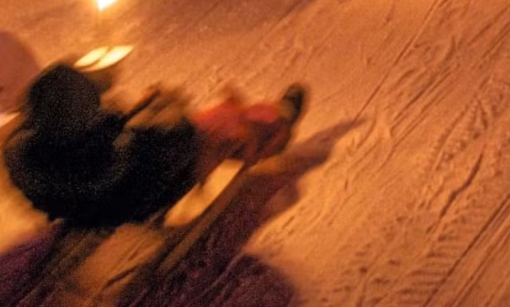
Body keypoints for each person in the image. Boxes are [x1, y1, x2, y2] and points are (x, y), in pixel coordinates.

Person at [1, 61, 305, 228]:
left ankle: (261, 123)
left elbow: (103, 136)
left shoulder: (28, 150)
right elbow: (161, 140)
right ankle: (276, 122)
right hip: (141, 193)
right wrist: (160, 114)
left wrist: (131, 114)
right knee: (222, 126)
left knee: (190, 121)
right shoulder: (100, 158)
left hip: (94, 202)